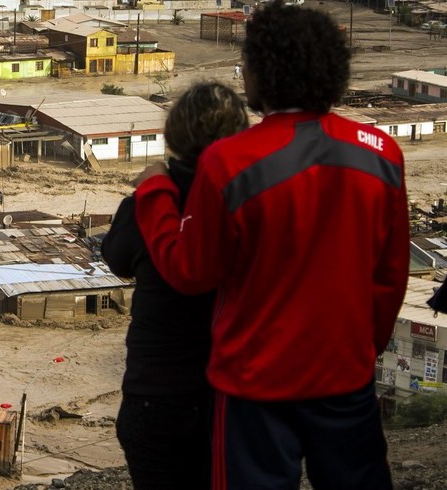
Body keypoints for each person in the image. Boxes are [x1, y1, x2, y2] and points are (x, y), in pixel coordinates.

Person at [134, 2, 408, 489]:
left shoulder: (230, 162)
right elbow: (389, 276)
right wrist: (364, 348)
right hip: (344, 376)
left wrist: (154, 192)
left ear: (262, 73)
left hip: (254, 384)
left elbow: (190, 270)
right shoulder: (381, 153)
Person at [102, 82, 249, 490]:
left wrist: (152, 186)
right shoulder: (256, 199)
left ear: (174, 137)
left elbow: (115, 257)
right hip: (236, 395)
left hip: (157, 396)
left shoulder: (147, 203)